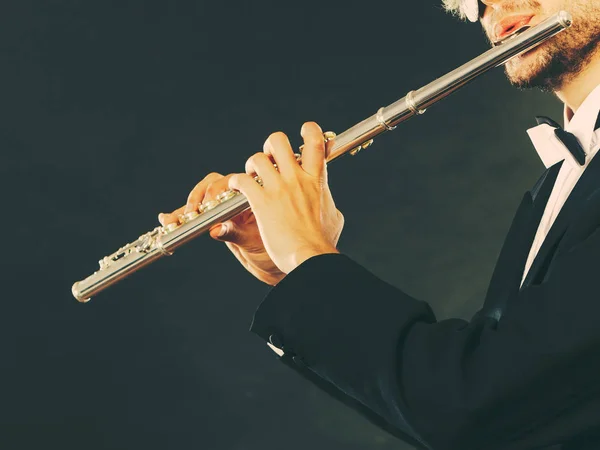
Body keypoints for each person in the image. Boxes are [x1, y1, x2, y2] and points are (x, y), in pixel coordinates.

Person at [158, 0, 600, 448]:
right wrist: (296, 272)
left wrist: (309, 258)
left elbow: (473, 403)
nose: (490, 5)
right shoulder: (557, 186)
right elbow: (493, 417)